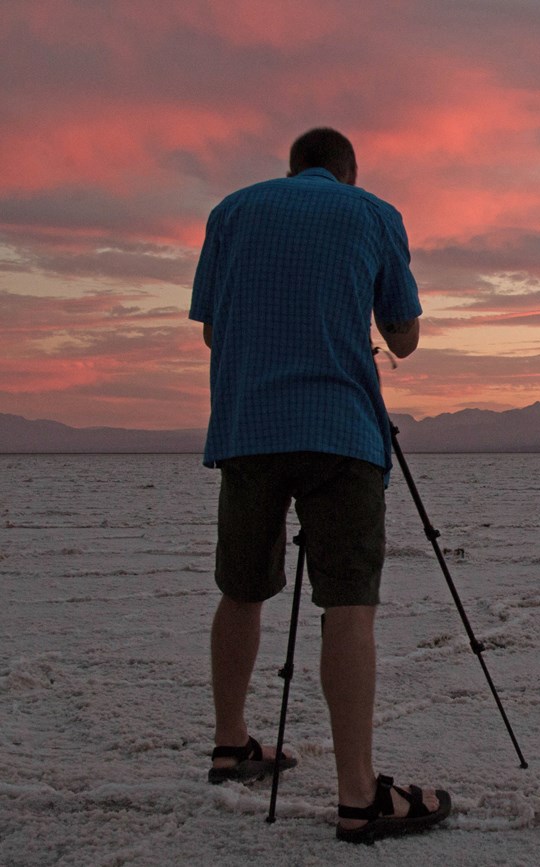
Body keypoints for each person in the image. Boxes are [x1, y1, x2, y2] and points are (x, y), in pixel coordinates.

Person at [190, 127, 449, 843]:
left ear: (292, 166)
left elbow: (213, 331)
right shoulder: (373, 214)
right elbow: (404, 337)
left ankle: (231, 742)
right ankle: (358, 794)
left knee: (241, 587)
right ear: (349, 172)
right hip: (341, 432)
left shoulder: (231, 211)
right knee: (349, 603)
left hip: (249, 426)